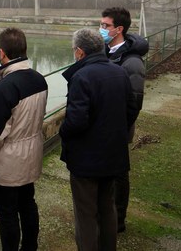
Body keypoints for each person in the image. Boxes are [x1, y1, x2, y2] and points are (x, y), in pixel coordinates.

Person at [59, 28, 139, 251]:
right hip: (113, 155)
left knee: (85, 214)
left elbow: (76, 121)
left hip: (86, 161)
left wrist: (62, 131)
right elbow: (131, 109)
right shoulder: (119, 72)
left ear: (80, 52)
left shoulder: (81, 76)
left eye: (74, 50)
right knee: (107, 207)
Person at [0, 27, 48, 251]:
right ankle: (30, 247)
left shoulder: (4, 88)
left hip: (7, 165)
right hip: (30, 156)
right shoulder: (39, 80)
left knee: (7, 215)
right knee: (27, 205)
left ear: (2, 53)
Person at [100, 7, 149, 232]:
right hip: (101, 126)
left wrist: (120, 128)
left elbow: (134, 101)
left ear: (119, 29)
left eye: (105, 26)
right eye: (101, 25)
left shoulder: (132, 62)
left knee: (119, 174)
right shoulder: (105, 52)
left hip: (118, 128)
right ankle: (104, 212)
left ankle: (118, 219)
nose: (101, 29)